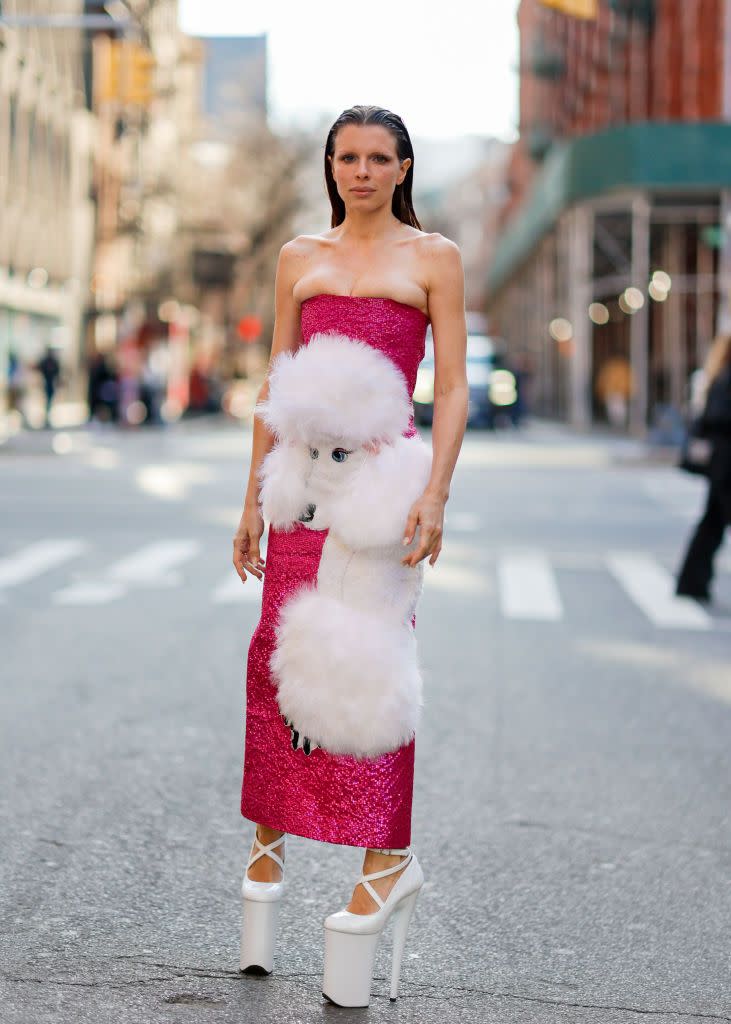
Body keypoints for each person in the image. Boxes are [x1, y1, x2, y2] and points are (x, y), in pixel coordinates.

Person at [232, 105, 468, 1007]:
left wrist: (436, 491)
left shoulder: (432, 258)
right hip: (298, 493)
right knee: (274, 665)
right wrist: (251, 501)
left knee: (369, 675)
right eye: (347, 157)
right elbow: (275, 390)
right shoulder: (299, 256)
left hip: (379, 500)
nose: (361, 171)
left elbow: (447, 388)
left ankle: (383, 865)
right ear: (330, 166)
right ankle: (264, 853)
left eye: (378, 158)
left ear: (403, 167)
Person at [676, 333, 731, 602]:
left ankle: (692, 582)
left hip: (722, 465)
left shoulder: (719, 375)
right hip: (726, 465)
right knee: (711, 525)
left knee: (711, 524)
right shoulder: (726, 378)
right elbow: (718, 417)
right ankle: (691, 582)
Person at [35, 346, 61, 428]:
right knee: (47, 400)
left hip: (51, 383)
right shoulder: (46, 361)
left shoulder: (53, 361)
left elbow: (57, 371)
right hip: (46, 383)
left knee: (49, 400)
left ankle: (48, 416)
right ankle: (46, 417)